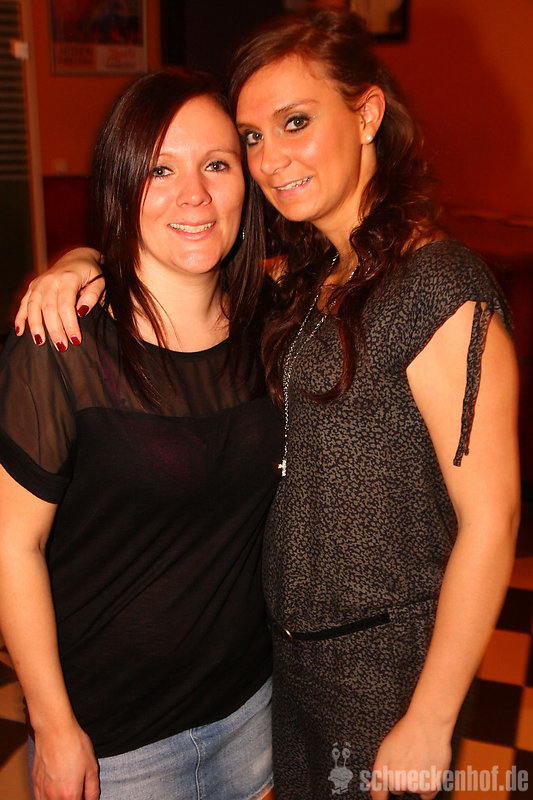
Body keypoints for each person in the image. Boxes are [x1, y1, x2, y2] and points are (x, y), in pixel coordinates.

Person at [14, 10, 520, 800]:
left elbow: (493, 517)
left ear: (366, 114)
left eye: (294, 122)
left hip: (384, 676)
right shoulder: (303, 282)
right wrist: (81, 262)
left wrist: (430, 715)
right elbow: (171, 258)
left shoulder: (436, 286)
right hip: (283, 669)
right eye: (252, 137)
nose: (271, 158)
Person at [0, 67, 282, 800]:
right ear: (121, 184)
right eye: (160, 169)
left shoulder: (273, 328)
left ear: (245, 184)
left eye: (216, 165)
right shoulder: (62, 346)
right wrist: (54, 727)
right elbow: (10, 546)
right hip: (116, 747)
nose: (194, 194)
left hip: (250, 712)